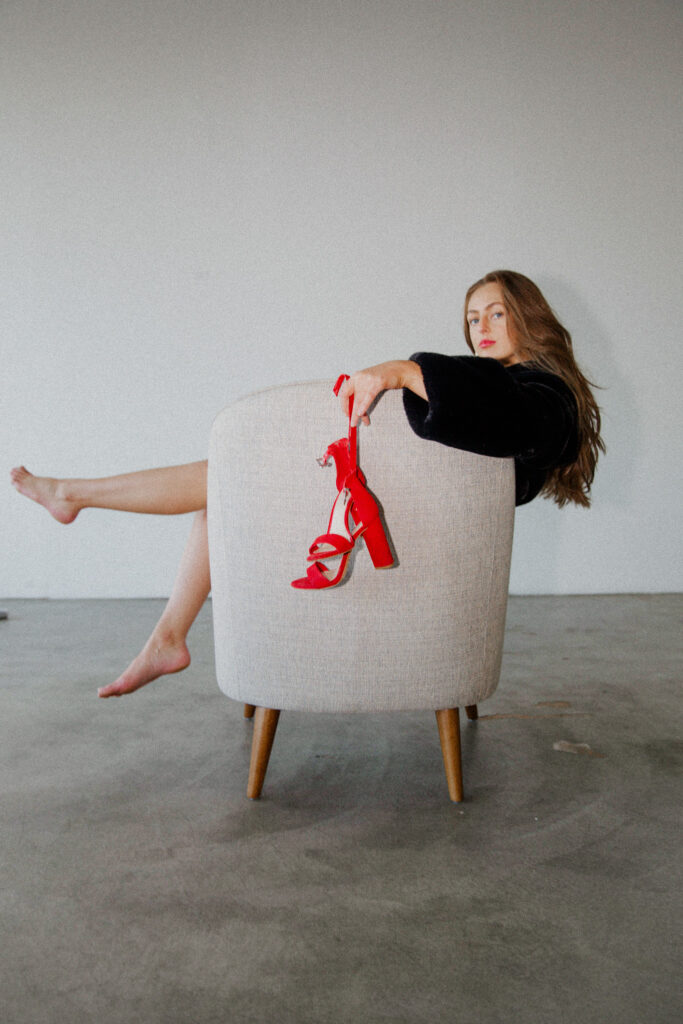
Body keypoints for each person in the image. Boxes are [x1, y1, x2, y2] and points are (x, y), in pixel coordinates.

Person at [10, 269, 604, 698]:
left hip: (402, 528)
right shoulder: (507, 384)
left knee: (224, 478)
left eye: (496, 313)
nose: (481, 328)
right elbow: (477, 406)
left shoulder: (544, 394)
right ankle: (165, 632)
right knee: (221, 486)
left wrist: (401, 370)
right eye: (473, 318)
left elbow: (514, 421)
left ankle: (78, 500)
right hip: (389, 507)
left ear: (530, 316)